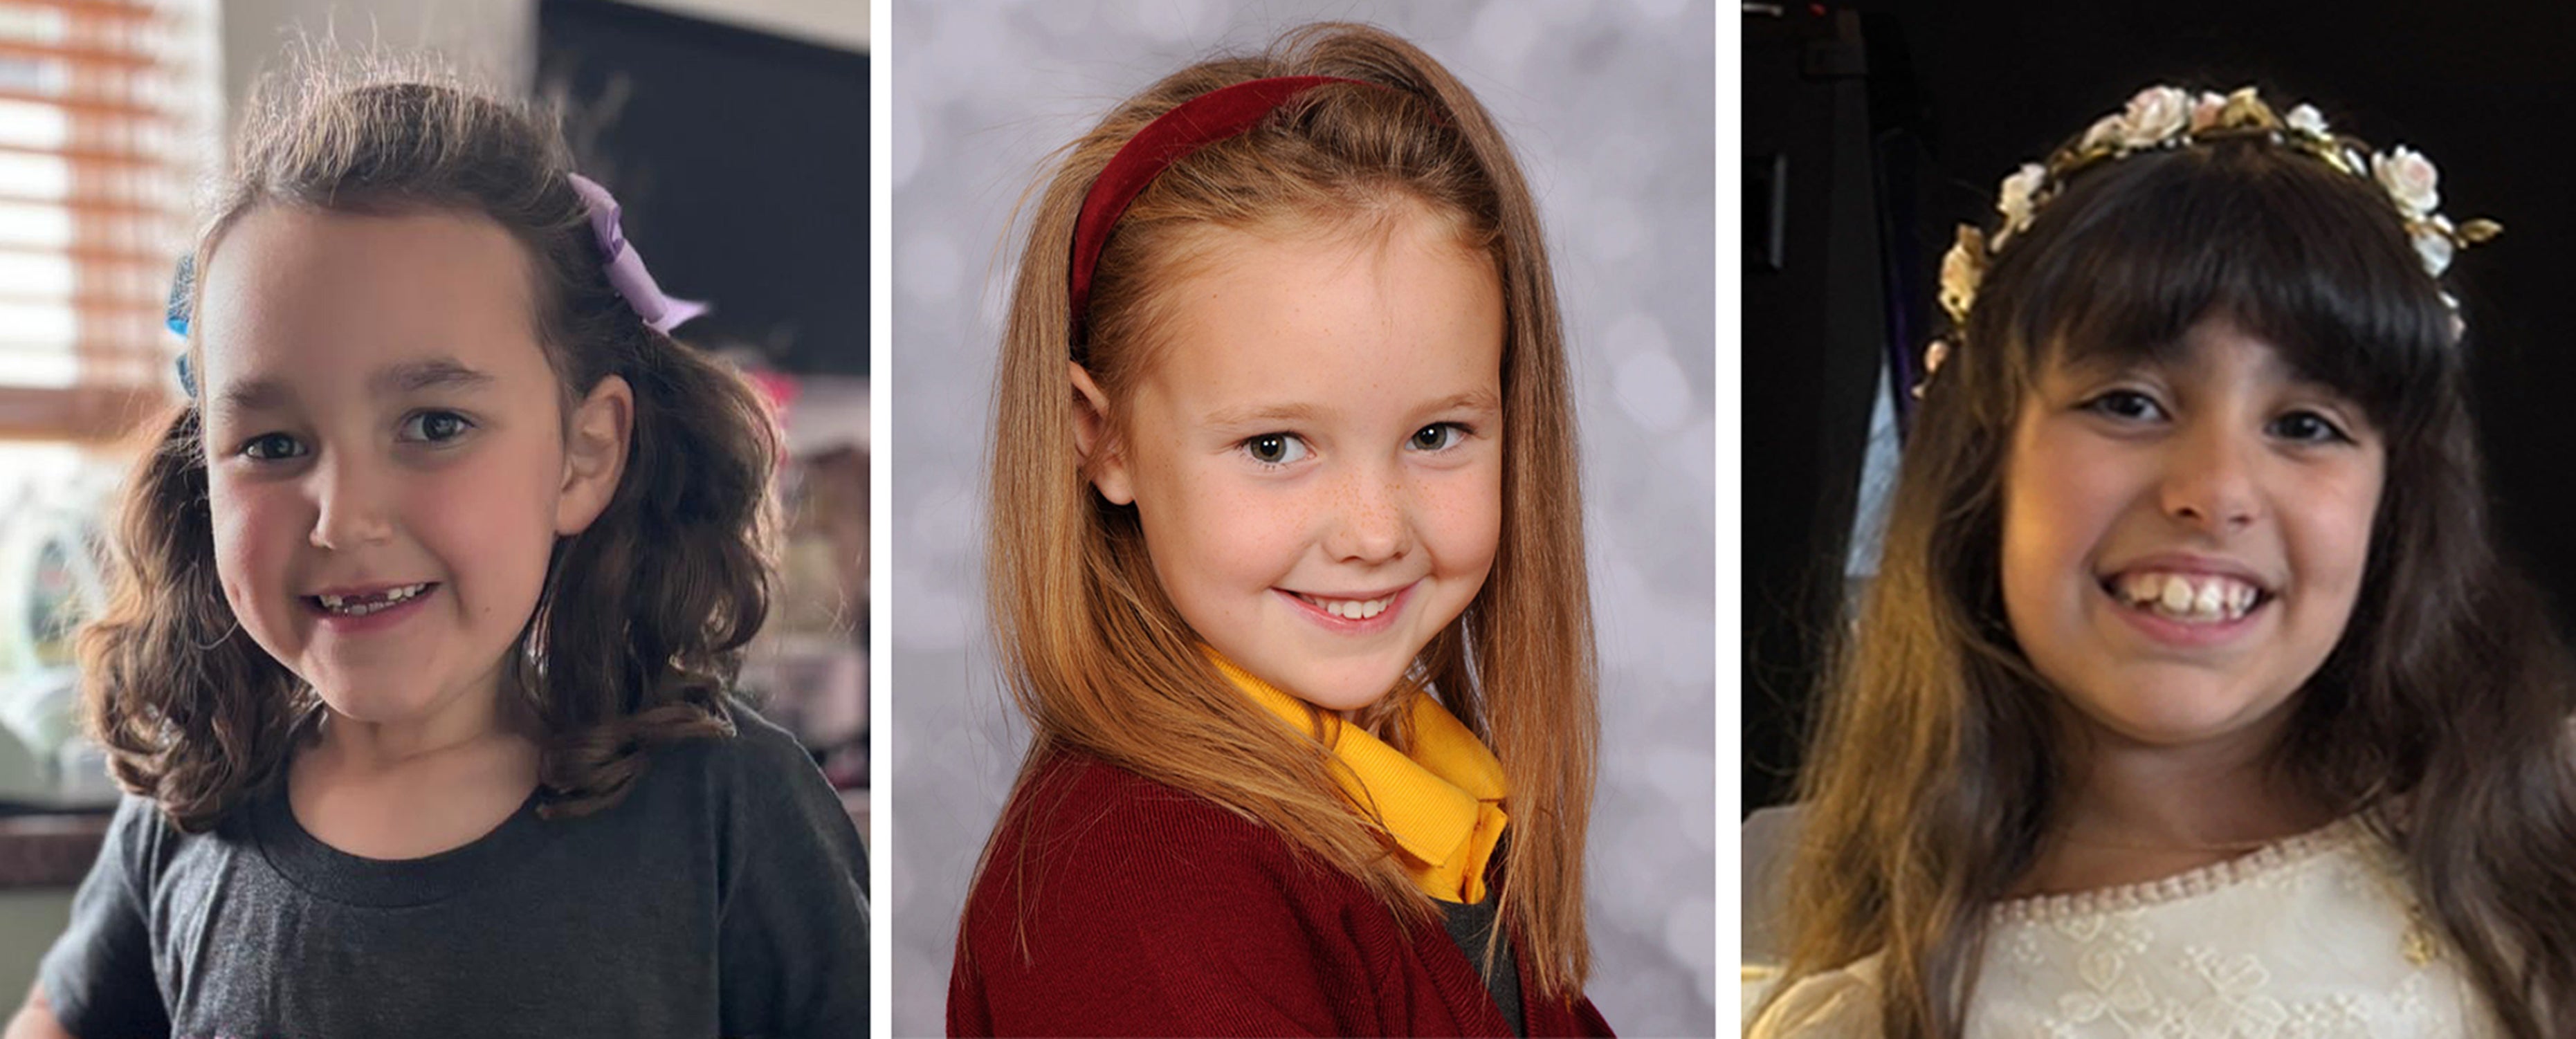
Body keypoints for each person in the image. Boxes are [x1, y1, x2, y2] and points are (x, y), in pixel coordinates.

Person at [5, 59, 868, 1039]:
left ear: (584, 455)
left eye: (434, 425)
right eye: (273, 446)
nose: (343, 517)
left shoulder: (727, 812)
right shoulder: (191, 806)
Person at [1745, 85, 2576, 1038]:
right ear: (1985, 456)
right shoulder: (1880, 1017)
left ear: (2395, 505)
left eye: (2304, 424)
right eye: (2128, 403)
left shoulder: (2537, 841)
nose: (2216, 488)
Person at [945, 21, 1609, 1038]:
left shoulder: (1426, 793)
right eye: (1274, 447)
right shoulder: (1145, 889)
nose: (1374, 531)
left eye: (1437, 433)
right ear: (1104, 439)